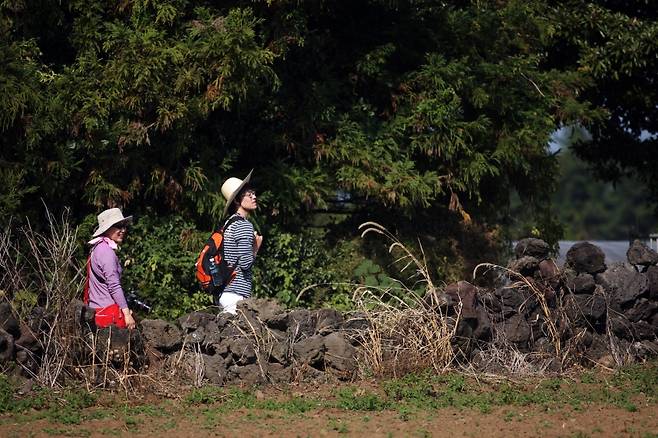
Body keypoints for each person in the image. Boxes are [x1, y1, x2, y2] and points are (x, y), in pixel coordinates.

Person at [218, 169, 263, 314]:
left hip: (225, 292)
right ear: (237, 200)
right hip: (235, 294)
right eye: (249, 195)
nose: (254, 197)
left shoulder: (229, 223)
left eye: (253, 193)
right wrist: (255, 248)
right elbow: (245, 263)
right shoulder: (244, 225)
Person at [84, 208, 137, 329]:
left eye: (124, 226)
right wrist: (127, 313)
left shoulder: (97, 247)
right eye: (118, 226)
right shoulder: (106, 252)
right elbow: (114, 286)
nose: (123, 230)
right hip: (109, 315)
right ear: (107, 228)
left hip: (98, 311)